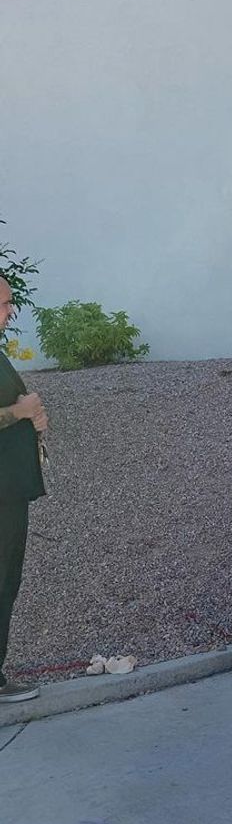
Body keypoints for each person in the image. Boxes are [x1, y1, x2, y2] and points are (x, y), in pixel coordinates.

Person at [0, 276, 47, 702]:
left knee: (6, 580)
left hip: (10, 490)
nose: (10, 311)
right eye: (2, 304)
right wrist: (20, 410)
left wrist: (32, 417)